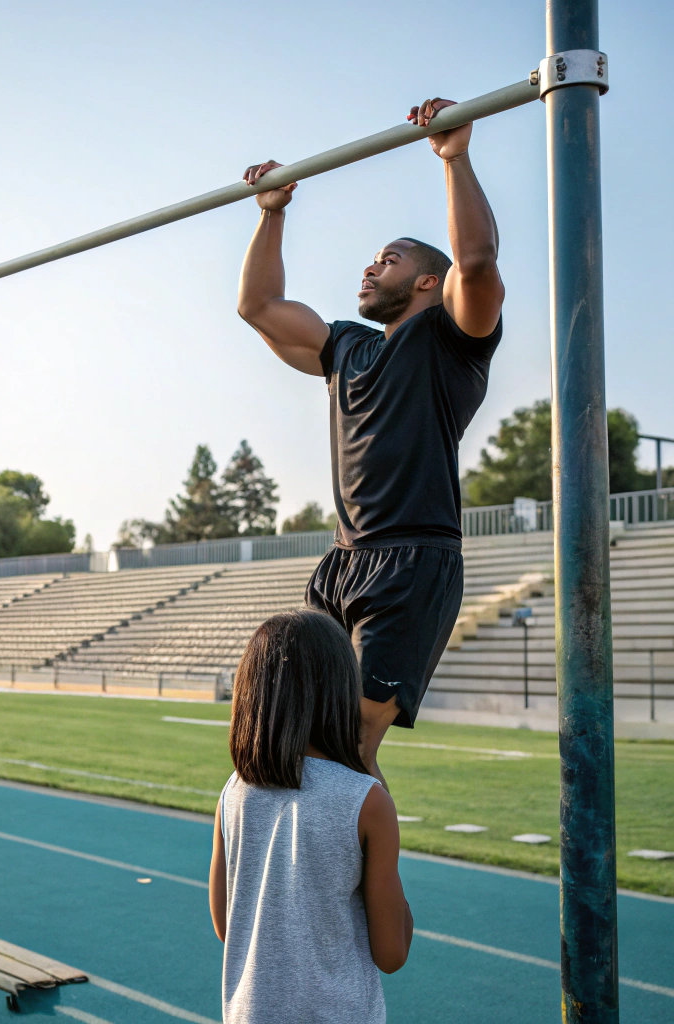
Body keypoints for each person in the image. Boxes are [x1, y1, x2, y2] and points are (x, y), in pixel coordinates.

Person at [237, 98, 505, 787]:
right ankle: (307, 886)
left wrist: (454, 158)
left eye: (386, 261)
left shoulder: (450, 342)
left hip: (412, 561)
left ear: (425, 281)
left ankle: (370, 894)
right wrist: (271, 213)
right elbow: (258, 307)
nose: (368, 269)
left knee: (348, 746)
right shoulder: (346, 348)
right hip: (342, 562)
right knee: (293, 739)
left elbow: (474, 261)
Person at [210, 610, 411, 1024]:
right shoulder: (368, 801)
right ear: (339, 690)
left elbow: (226, 926)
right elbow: (392, 953)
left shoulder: (233, 791)